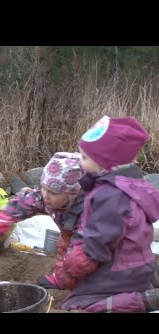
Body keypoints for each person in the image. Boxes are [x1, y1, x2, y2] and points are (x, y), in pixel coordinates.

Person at [39, 116, 159, 313]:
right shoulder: (132, 185)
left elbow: (93, 249)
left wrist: (64, 277)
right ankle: (144, 286)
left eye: (84, 158)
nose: (80, 162)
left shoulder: (108, 196)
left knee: (77, 305)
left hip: (120, 271)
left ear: (105, 162)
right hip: (139, 263)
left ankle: (142, 300)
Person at [0, 152, 85, 277]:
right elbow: (23, 203)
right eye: (44, 187)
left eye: (53, 192)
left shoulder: (87, 214)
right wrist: (2, 222)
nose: (45, 195)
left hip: (95, 243)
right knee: (63, 248)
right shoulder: (45, 197)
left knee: (77, 262)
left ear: (72, 194)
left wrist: (65, 277)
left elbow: (83, 250)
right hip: (68, 234)